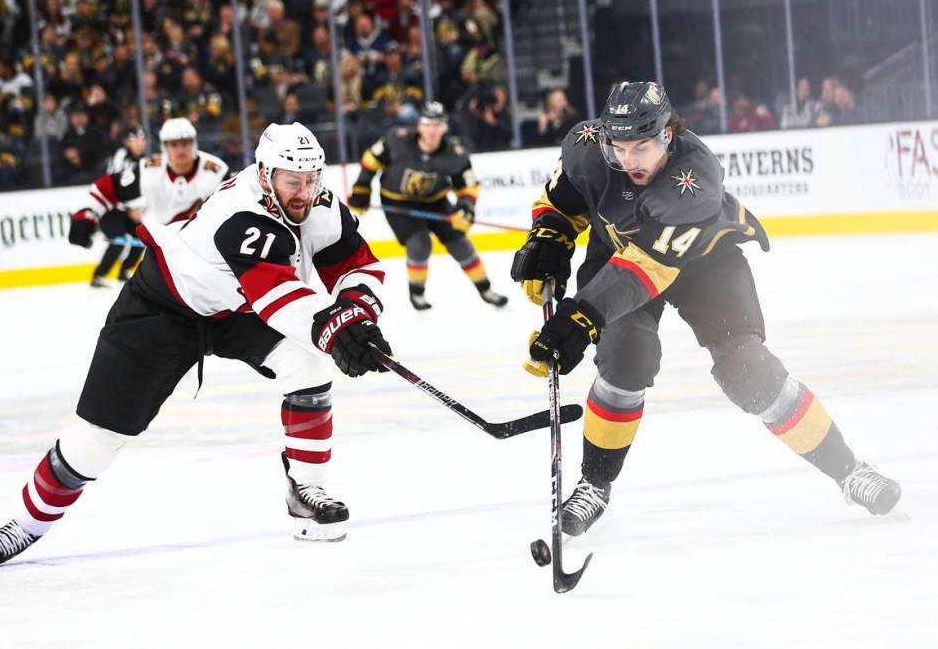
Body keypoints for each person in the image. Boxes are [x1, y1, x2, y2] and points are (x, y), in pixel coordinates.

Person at [0, 123, 392, 568]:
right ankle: (26, 524)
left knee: (309, 363)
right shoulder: (242, 213)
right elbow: (279, 298)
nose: (305, 191)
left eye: (312, 179)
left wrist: (356, 314)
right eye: (294, 180)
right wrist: (335, 330)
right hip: (163, 309)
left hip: (236, 310)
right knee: (97, 439)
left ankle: (307, 490)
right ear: (266, 173)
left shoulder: (320, 205)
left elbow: (357, 265)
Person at [510, 81, 901, 537]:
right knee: (625, 358)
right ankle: (594, 485)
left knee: (748, 370)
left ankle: (849, 471)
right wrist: (549, 236)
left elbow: (646, 269)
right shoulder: (586, 148)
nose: (629, 161)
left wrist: (580, 317)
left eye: (641, 147)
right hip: (617, 254)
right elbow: (562, 201)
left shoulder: (692, 182)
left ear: (667, 135)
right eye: (618, 148)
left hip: (702, 263)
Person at [348, 101, 507, 310]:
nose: (432, 130)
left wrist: (465, 208)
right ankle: (417, 293)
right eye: (427, 124)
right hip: (397, 202)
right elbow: (371, 160)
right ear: (419, 125)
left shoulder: (455, 153)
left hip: (435, 202)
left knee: (459, 242)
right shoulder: (397, 139)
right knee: (420, 243)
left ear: (445, 127)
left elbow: (468, 185)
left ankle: (486, 289)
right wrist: (361, 189)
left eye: (437, 125)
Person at [68, 118, 228, 283]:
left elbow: (237, 207)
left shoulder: (217, 172)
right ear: (164, 146)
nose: (181, 149)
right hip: (163, 261)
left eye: (185, 143)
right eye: (174, 144)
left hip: (206, 262)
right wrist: (85, 216)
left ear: (194, 144)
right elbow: (106, 189)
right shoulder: (148, 171)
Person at [87, 125, 148, 287]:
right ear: (126, 142)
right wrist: (130, 209)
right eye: (134, 140)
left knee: (142, 237)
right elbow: (115, 187)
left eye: (141, 140)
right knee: (118, 240)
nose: (138, 143)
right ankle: (99, 275)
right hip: (112, 210)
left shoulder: (145, 162)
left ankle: (124, 272)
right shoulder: (120, 157)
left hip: (130, 210)